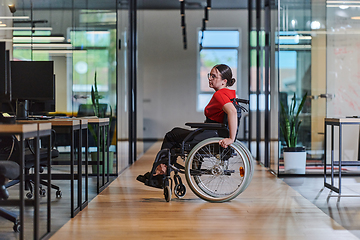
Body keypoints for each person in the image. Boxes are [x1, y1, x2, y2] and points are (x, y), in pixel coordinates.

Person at [137, 64, 238, 184]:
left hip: (210, 135)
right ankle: (161, 172)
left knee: (172, 135)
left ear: (224, 81)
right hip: (212, 132)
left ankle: (160, 172)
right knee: (175, 134)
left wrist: (231, 138)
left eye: (214, 76)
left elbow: (232, 111)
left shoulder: (220, 94)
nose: (210, 78)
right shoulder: (228, 94)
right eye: (209, 75)